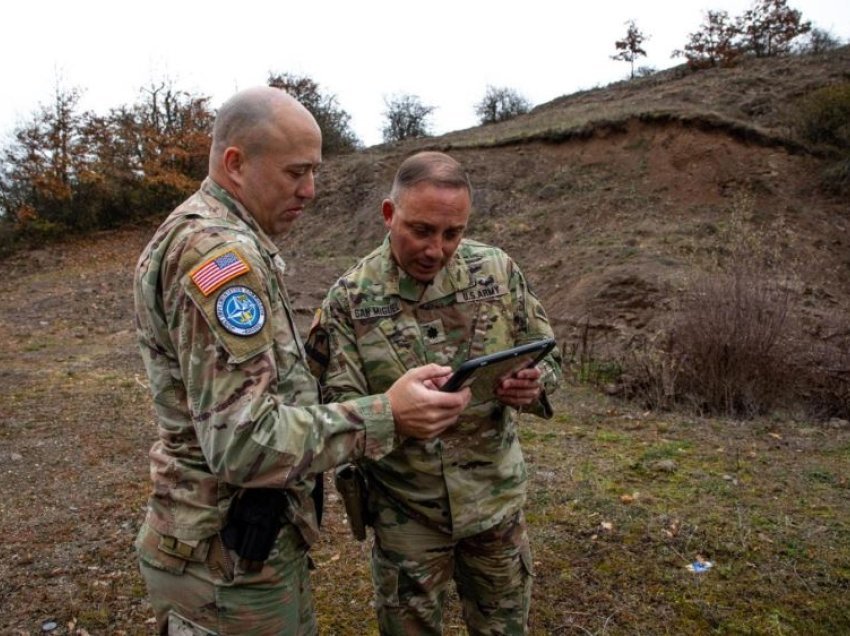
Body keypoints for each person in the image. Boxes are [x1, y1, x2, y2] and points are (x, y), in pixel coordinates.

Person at [133, 88, 470, 636]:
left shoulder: (224, 238)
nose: (310, 190)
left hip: (239, 545)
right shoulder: (217, 255)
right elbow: (241, 442)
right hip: (226, 566)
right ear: (236, 164)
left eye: (314, 171)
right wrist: (388, 414)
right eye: (295, 173)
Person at [308, 151, 563, 635]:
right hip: (407, 514)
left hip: (495, 503)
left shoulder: (498, 273)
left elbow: (548, 353)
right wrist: (394, 415)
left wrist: (536, 383)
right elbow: (329, 414)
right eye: (421, 231)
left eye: (453, 233)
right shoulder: (349, 301)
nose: (436, 249)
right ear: (389, 215)